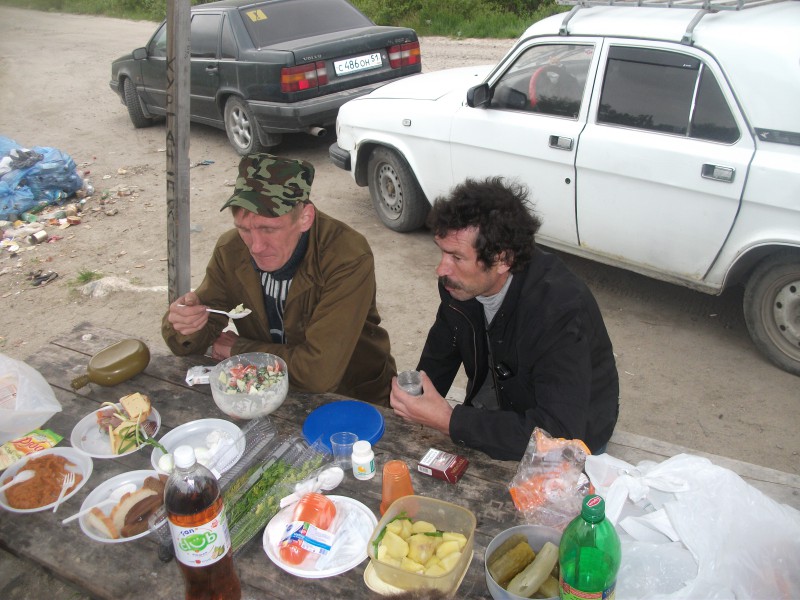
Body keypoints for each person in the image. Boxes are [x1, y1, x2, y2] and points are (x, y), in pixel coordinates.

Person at [390, 177, 619, 460]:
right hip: (498, 405)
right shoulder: (458, 285)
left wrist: (450, 421)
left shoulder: (559, 309)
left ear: (502, 260)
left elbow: (560, 434)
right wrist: (414, 397)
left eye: (457, 257)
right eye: (442, 252)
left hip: (571, 433)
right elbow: (441, 351)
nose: (441, 269)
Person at [162, 153, 396, 405]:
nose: (256, 246)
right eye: (244, 229)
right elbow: (198, 331)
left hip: (353, 397)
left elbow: (319, 373)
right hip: (268, 391)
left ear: (305, 218)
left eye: (269, 229)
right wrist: (184, 326)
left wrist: (238, 350)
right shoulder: (231, 250)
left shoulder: (345, 256)